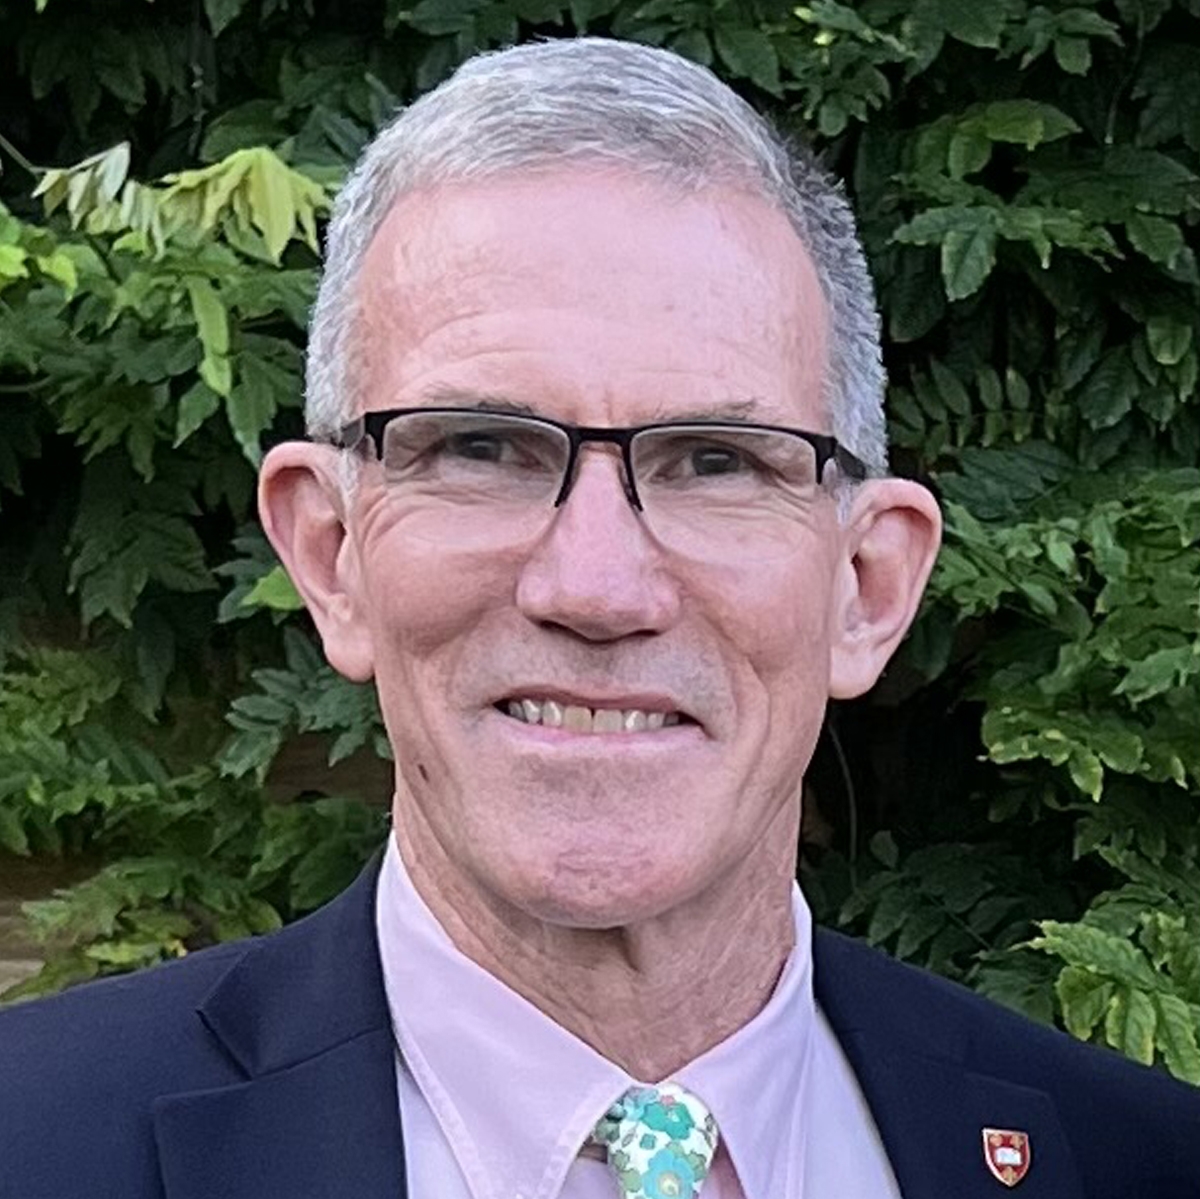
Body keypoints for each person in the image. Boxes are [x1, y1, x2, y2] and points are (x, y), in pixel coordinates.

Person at [1, 36, 1197, 1199]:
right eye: (481, 447)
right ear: (331, 553)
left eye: (717, 460)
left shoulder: (1138, 1161)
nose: (596, 586)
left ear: (867, 585)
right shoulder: (28, 1139)